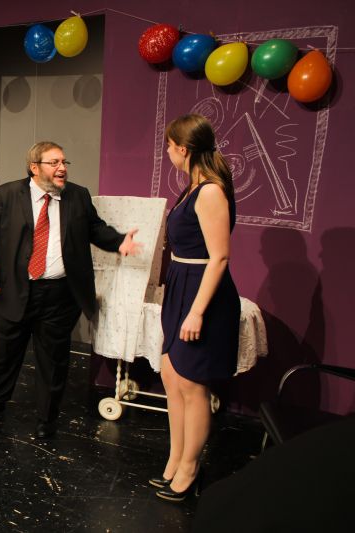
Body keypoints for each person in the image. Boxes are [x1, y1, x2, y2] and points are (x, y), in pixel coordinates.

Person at [0, 141, 141, 438]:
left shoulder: (78, 196)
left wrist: (118, 241)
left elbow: (95, 229)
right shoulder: (7, 195)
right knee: (3, 356)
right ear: (34, 168)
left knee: (53, 361)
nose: (62, 168)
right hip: (13, 290)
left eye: (64, 162)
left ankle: (46, 419)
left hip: (59, 296)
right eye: (54, 163)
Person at [151, 113, 239, 502]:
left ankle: (190, 468)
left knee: (192, 383)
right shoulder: (192, 187)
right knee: (172, 376)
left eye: (170, 146)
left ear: (184, 149)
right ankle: (175, 459)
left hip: (202, 292)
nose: (168, 152)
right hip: (181, 286)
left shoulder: (211, 192)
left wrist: (197, 311)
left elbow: (219, 257)